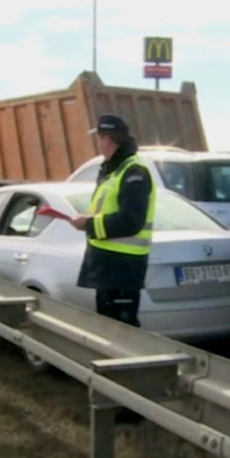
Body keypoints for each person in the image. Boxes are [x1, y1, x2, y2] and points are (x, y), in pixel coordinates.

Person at [69, 114, 155, 328]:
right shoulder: (114, 169)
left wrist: (88, 225)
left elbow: (131, 221)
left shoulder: (133, 171)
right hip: (109, 267)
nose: (98, 144)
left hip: (122, 268)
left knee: (121, 334)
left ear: (106, 139)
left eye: (99, 139)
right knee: (109, 330)